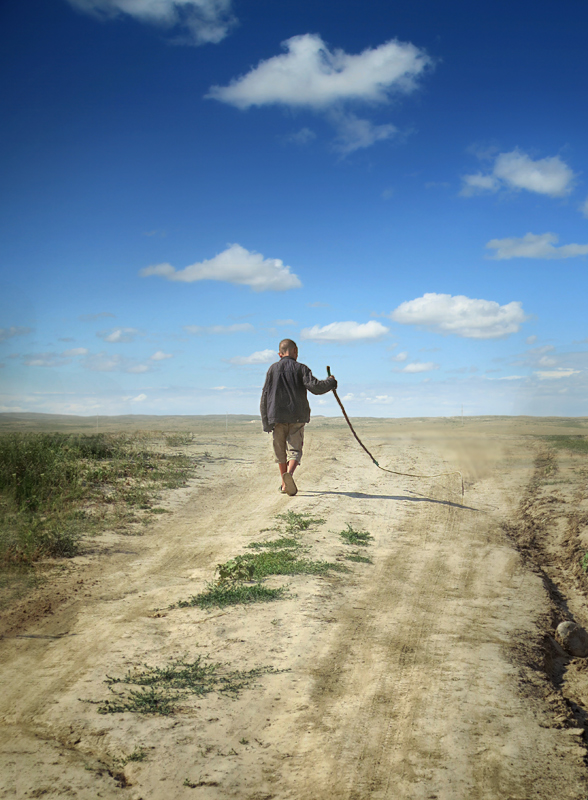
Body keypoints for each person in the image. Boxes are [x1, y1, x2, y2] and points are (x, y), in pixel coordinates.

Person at [260, 338, 337, 496]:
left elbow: (265, 395)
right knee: (294, 450)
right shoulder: (301, 368)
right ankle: (289, 476)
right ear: (295, 352)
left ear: (280, 353)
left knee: (280, 451)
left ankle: (283, 483)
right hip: (297, 416)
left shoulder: (272, 369)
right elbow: (315, 387)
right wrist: (330, 382)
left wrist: (265, 421)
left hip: (276, 416)